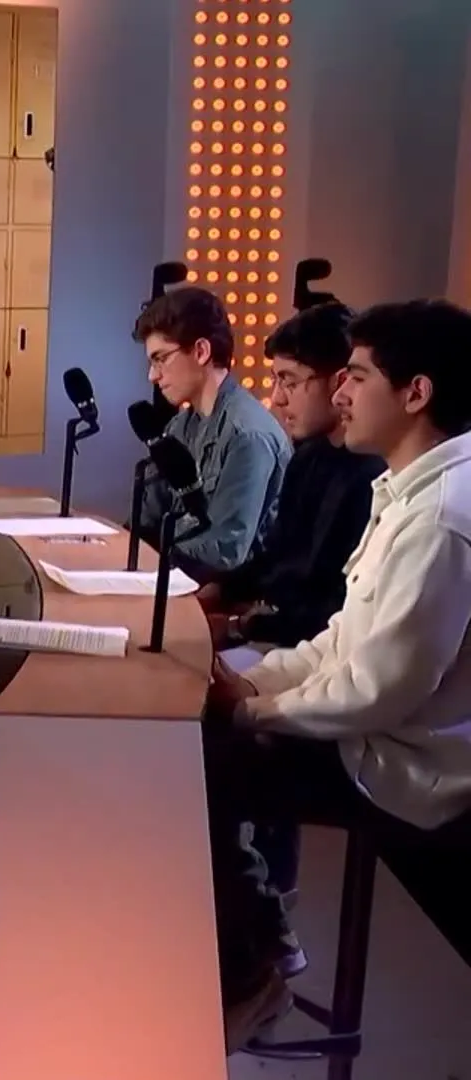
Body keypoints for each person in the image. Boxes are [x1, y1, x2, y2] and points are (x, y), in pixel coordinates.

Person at [207, 299, 471, 1049]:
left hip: (402, 765)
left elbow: (376, 690)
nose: (341, 391)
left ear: (416, 393)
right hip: (374, 730)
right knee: (196, 734)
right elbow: (340, 642)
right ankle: (253, 951)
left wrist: (247, 711)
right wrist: (255, 683)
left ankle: (252, 968)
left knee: (199, 760)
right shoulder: (406, 489)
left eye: (356, 375)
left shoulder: (442, 518)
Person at [202, 302, 384, 656]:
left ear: (339, 382)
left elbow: (335, 607)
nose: (276, 399)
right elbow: (276, 553)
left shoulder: (371, 477)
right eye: (276, 381)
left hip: (312, 649)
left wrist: (240, 626)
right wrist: (220, 591)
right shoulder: (308, 456)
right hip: (272, 627)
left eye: (289, 381)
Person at [133, 287, 294, 577]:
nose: (153, 375)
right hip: (171, 575)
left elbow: (224, 550)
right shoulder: (178, 427)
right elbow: (149, 519)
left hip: (218, 590)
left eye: (160, 359)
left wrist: (158, 556)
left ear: (201, 351)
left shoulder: (247, 435)